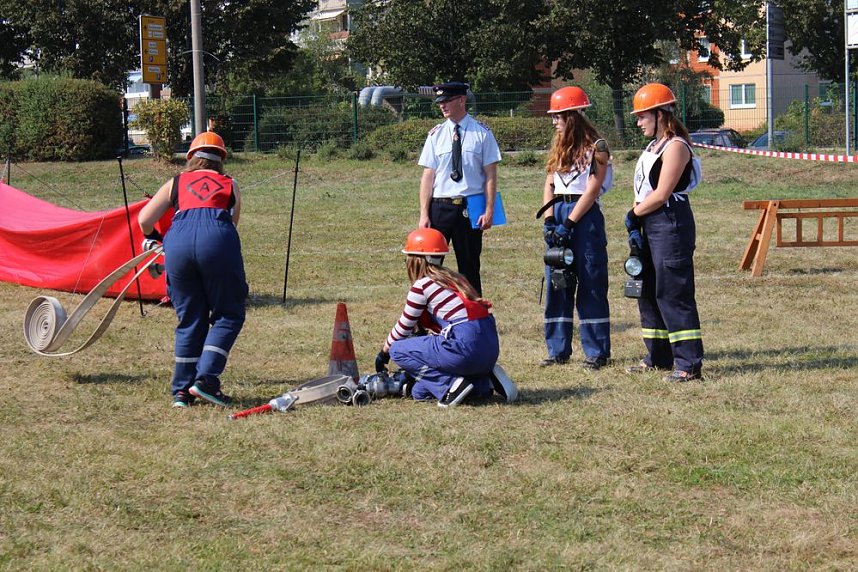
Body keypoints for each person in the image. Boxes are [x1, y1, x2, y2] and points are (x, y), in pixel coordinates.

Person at [138, 131, 248, 407]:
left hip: (178, 246)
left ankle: (182, 391)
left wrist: (155, 241)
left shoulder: (176, 182)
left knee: (190, 319)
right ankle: (206, 380)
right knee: (228, 313)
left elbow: (144, 220)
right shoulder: (229, 184)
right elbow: (232, 223)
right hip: (218, 243)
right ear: (221, 160)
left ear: (191, 157)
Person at [626, 83, 704, 382]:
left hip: (670, 222)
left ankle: (688, 364)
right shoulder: (652, 146)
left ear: (660, 115)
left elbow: (661, 194)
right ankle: (657, 356)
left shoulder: (676, 147)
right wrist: (636, 220)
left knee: (674, 292)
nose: (638, 122)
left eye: (643, 116)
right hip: (649, 222)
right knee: (648, 291)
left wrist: (634, 214)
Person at [375, 228, 500, 408]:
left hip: (466, 346)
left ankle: (452, 386)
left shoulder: (422, 285)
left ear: (416, 260)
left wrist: (384, 352)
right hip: (489, 346)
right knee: (419, 391)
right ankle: (482, 383)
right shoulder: (456, 279)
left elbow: (404, 327)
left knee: (398, 349)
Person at [539, 86, 612, 370]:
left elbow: (592, 190)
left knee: (590, 282)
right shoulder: (558, 146)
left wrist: (569, 224)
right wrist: (549, 222)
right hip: (557, 211)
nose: (554, 121)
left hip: (584, 216)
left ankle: (596, 352)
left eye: (558, 116)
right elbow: (548, 183)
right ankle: (557, 350)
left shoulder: (598, 147)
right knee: (557, 281)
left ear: (573, 116)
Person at [417, 81, 502, 296]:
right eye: (440, 102)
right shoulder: (435, 135)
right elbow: (428, 176)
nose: (442, 106)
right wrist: (424, 214)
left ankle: (474, 319)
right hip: (441, 207)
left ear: (461, 100)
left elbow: (490, 175)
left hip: (469, 207)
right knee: (430, 268)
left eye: (446, 101)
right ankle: (429, 316)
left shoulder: (481, 133)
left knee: (470, 268)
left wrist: (489, 209)